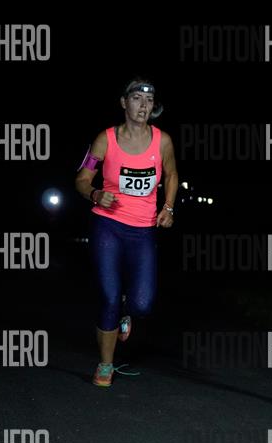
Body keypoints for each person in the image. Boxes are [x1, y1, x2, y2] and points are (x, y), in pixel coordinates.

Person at [75, 77, 179, 387]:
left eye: (149, 100)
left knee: (143, 304)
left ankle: (127, 310)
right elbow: (82, 179)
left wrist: (169, 207)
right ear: (124, 102)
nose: (143, 105)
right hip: (107, 225)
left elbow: (172, 175)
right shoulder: (105, 139)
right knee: (108, 296)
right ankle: (106, 364)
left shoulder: (162, 141)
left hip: (143, 230)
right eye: (136, 98)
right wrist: (95, 194)